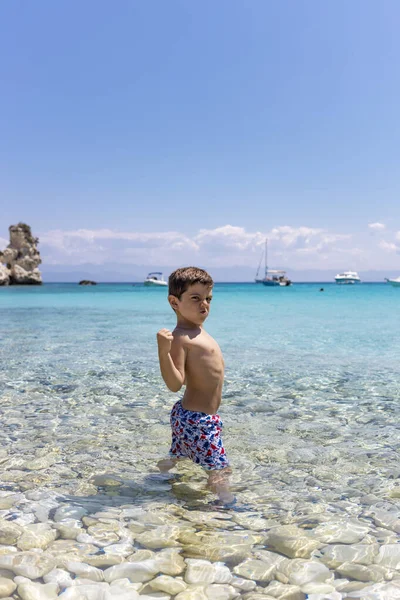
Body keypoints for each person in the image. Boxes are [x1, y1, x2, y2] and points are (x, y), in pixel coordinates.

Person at [156, 266, 234, 505]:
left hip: (188, 416)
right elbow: (174, 383)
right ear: (174, 302)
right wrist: (163, 351)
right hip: (198, 421)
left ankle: (157, 479)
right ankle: (227, 507)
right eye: (195, 298)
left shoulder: (196, 331)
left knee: (178, 456)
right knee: (219, 472)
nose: (205, 305)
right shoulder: (180, 337)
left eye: (208, 299)